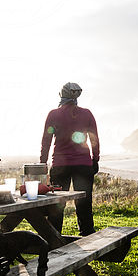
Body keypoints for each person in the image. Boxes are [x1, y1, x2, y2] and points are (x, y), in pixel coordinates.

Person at [40, 82, 100, 236]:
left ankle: (53, 238)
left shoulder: (53, 114)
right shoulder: (87, 114)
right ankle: (87, 236)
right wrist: (95, 160)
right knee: (84, 203)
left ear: (62, 95)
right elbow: (94, 139)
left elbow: (46, 141)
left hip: (60, 165)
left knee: (57, 204)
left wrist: (43, 163)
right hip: (83, 164)